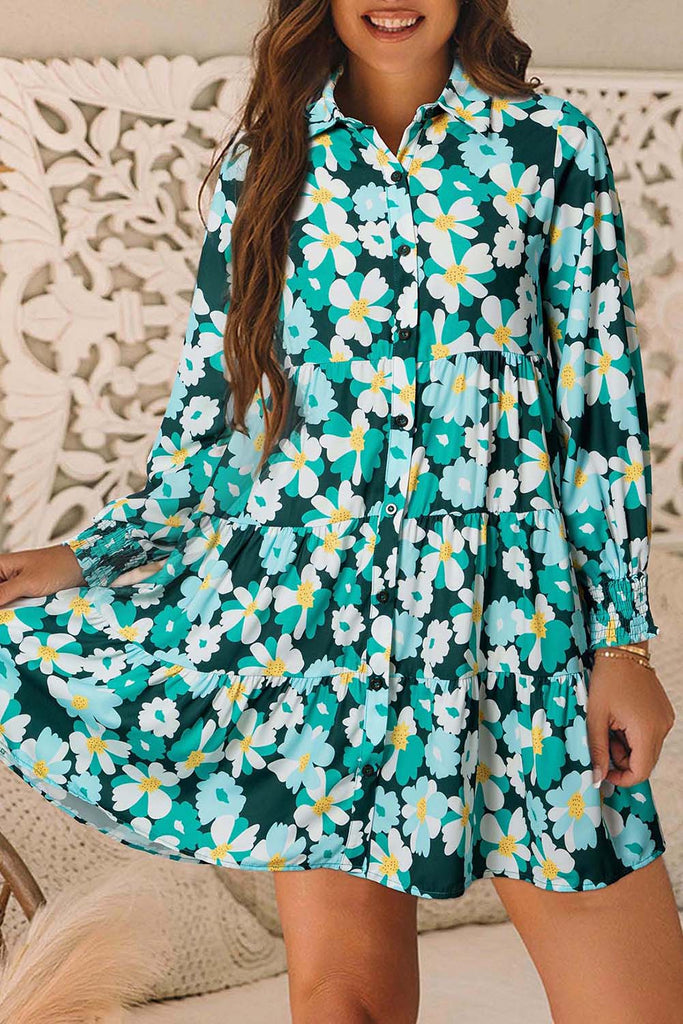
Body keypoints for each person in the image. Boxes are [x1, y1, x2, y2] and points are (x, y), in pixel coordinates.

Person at [1, 0, 682, 1020]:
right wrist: (88, 557)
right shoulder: (268, 164)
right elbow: (217, 431)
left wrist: (623, 647)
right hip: (318, 622)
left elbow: (597, 413)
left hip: (512, 618)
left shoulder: (547, 146)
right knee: (342, 1001)